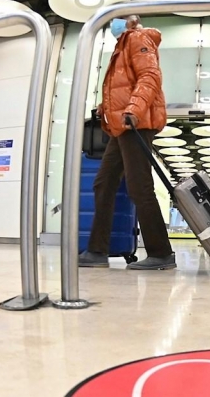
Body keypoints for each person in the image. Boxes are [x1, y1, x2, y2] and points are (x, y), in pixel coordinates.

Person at [78, 15, 175, 270]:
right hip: (122, 126)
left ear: (133, 23)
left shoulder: (137, 38)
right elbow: (123, 87)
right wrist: (105, 108)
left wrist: (133, 109)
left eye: (120, 20)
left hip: (136, 123)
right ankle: (97, 250)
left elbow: (150, 77)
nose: (114, 25)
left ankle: (162, 253)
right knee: (104, 183)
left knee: (139, 187)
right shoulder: (121, 46)